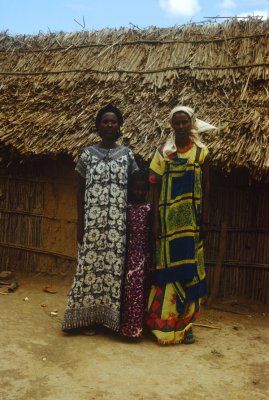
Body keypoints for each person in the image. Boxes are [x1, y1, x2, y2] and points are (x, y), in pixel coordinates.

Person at [62, 104, 139, 335]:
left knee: (113, 272)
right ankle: (85, 320)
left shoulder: (127, 155)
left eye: (113, 122)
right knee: (88, 269)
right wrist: (80, 224)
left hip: (117, 226)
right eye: (105, 122)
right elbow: (79, 191)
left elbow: (138, 187)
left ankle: (109, 321)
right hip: (92, 225)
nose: (109, 125)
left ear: (119, 126)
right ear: (98, 126)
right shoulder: (87, 155)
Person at [146, 105, 216, 345]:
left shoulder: (201, 153)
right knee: (166, 270)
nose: (181, 126)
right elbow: (153, 185)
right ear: (172, 125)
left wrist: (204, 219)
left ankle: (186, 325)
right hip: (167, 224)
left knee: (190, 271)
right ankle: (162, 324)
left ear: (191, 123)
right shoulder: (163, 153)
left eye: (184, 122)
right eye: (176, 123)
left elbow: (206, 187)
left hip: (191, 223)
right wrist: (155, 219)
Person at [120, 170, 152, 339]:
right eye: (136, 189)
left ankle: (138, 329)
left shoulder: (149, 209)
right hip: (128, 254)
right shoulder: (126, 208)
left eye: (142, 189)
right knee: (128, 292)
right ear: (130, 189)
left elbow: (151, 235)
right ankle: (127, 328)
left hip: (142, 256)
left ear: (147, 190)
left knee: (140, 292)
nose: (139, 192)